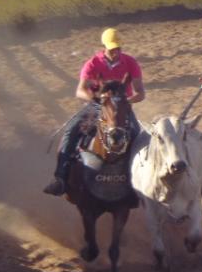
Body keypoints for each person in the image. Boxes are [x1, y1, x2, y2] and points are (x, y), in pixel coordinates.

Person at [43, 28, 146, 196]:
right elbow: (80, 90)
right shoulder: (92, 63)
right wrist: (95, 100)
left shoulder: (130, 62)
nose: (116, 52)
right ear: (104, 46)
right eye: (112, 48)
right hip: (96, 105)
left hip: (121, 107)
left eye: (118, 48)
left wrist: (125, 102)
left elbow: (140, 92)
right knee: (71, 130)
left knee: (138, 135)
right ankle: (60, 178)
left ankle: (140, 179)